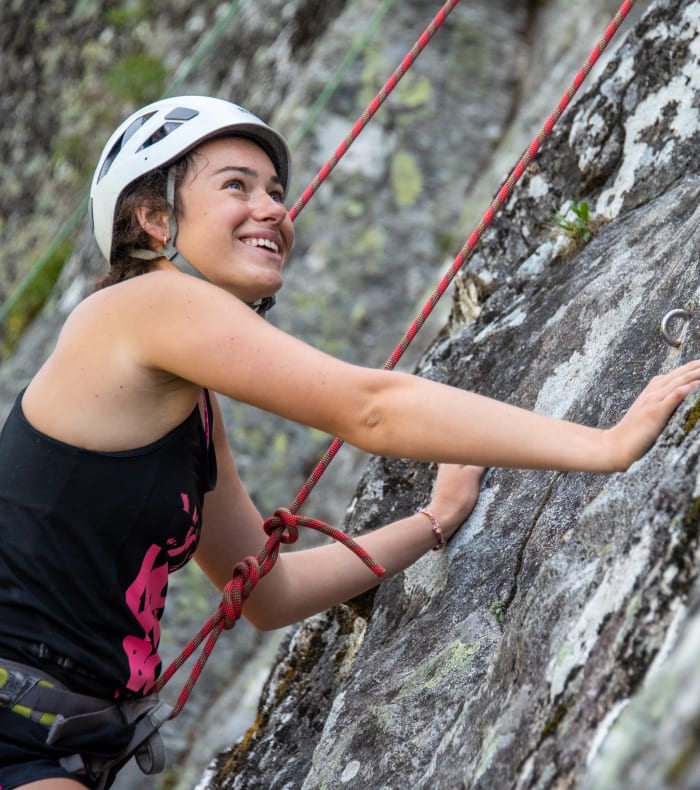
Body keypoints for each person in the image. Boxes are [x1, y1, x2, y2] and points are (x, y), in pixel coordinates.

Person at [0, 95, 697, 790]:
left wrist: (436, 522)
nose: (273, 208)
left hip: (52, 739)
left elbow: (269, 591)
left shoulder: (184, 413)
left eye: (276, 191)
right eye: (236, 185)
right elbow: (370, 408)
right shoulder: (140, 306)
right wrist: (604, 446)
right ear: (154, 220)